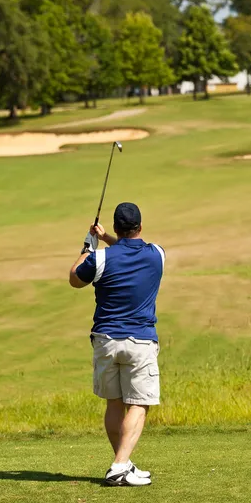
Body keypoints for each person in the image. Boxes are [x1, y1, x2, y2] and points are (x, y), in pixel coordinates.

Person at [69, 203, 165, 487]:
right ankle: (120, 465)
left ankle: (122, 464)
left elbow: (75, 279)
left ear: (117, 226)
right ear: (140, 227)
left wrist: (89, 245)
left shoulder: (99, 259)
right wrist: (108, 238)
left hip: (106, 341)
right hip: (141, 341)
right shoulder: (157, 254)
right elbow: (130, 248)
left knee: (115, 403)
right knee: (139, 403)